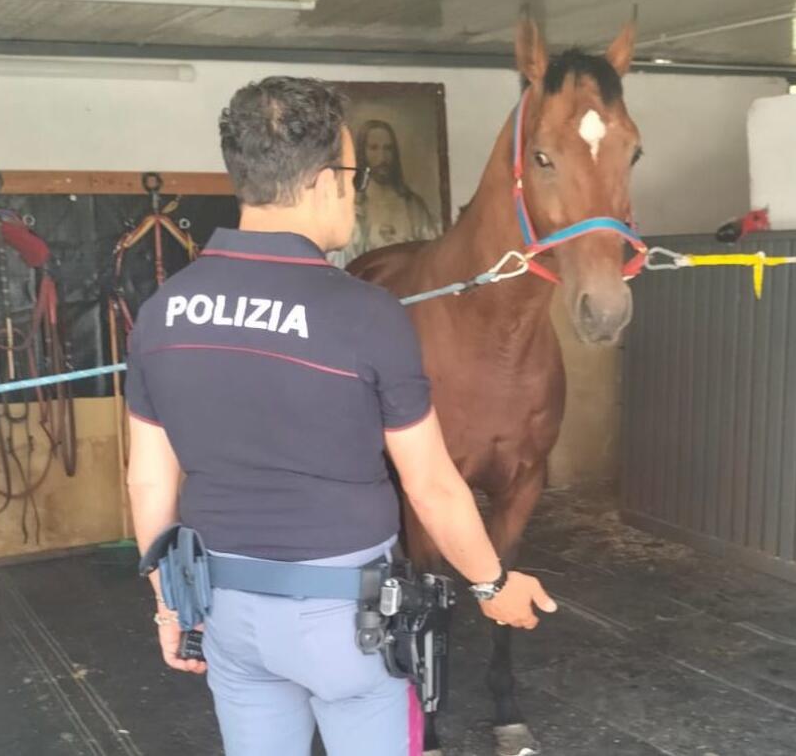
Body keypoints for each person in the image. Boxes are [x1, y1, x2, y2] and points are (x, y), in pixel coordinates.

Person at [125, 76, 555, 756]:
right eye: (352, 176)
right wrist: (492, 583)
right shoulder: (365, 313)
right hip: (345, 622)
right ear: (326, 181)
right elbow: (432, 485)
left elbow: (149, 479)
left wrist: (168, 602)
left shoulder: (163, 310)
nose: (355, 193)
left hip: (228, 611)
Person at [333, 120, 440, 267]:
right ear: (363, 152)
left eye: (388, 149)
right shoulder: (351, 207)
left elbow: (433, 256)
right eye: (373, 148)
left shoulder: (413, 207)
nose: (382, 158)